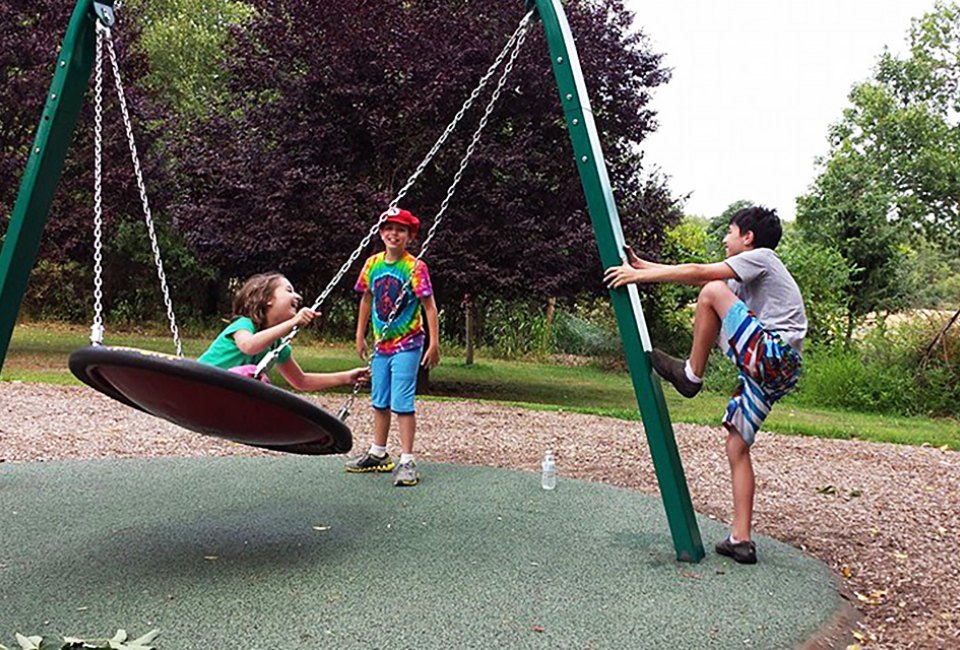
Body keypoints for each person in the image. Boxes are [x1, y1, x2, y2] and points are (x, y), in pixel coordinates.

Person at [603, 205, 807, 565]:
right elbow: (694, 277)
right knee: (736, 445)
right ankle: (740, 540)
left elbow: (703, 276)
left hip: (771, 352)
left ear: (749, 237)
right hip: (774, 370)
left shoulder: (762, 257)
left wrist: (637, 278)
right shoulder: (744, 276)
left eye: (729, 231)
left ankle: (691, 374)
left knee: (713, 292)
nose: (725, 239)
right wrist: (642, 265)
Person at [345, 208, 440, 487]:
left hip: (408, 344)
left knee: (402, 401)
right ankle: (378, 453)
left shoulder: (415, 267)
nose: (393, 234)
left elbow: (429, 306)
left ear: (410, 236)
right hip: (381, 344)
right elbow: (366, 300)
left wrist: (434, 343)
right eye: (388, 228)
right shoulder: (372, 264)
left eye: (400, 229)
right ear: (381, 232)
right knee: (379, 399)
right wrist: (359, 334)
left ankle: (408, 460)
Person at [199, 272, 369, 390]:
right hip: (198, 381)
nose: (298, 297)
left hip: (221, 391)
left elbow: (301, 381)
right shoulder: (244, 324)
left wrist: (347, 377)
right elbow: (249, 346)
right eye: (289, 291)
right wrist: (294, 322)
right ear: (267, 300)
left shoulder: (278, 345)